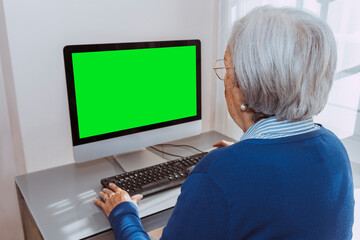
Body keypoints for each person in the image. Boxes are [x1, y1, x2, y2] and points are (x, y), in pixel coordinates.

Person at [94, 6, 354, 240]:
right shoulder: (334, 148)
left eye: (227, 71)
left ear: (246, 89)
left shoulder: (219, 173)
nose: (225, 82)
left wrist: (123, 213)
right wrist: (246, 159)